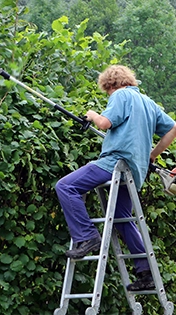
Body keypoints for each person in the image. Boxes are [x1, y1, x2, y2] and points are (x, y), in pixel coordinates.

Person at [55, 65, 176, 291]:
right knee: (122, 217)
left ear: (111, 85)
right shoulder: (149, 103)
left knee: (65, 186)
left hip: (114, 163)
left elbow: (104, 124)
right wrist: (151, 156)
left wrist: (92, 115)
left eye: (106, 91)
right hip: (134, 170)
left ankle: (87, 236)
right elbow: (173, 129)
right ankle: (145, 272)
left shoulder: (120, 95)